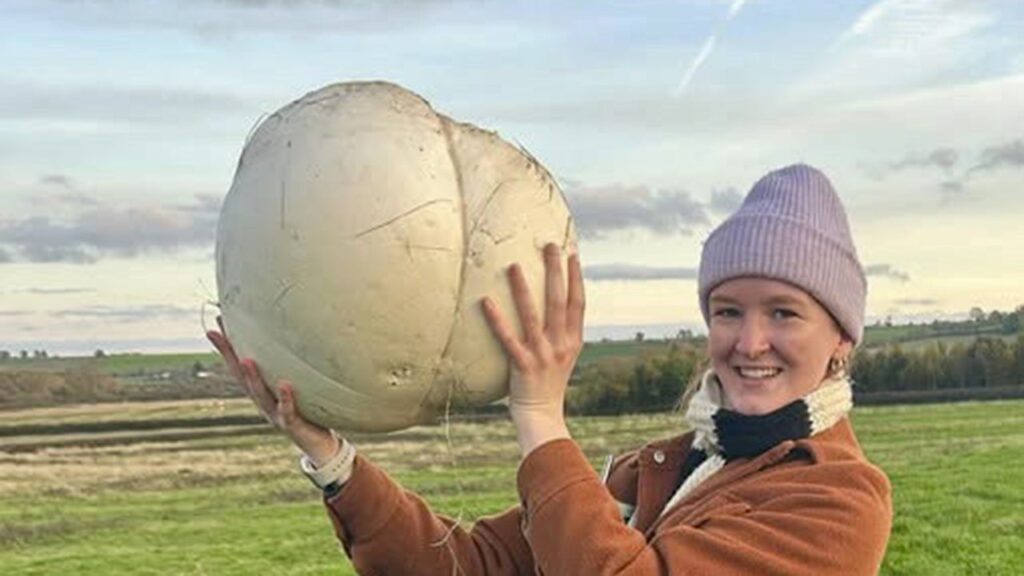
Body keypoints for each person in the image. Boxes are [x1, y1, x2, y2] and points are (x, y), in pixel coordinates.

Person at [207, 163, 892, 575]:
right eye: (726, 310)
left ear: (841, 339)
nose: (749, 342)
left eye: (784, 313)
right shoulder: (656, 469)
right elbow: (471, 565)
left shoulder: (837, 502)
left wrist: (539, 419)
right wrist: (330, 455)